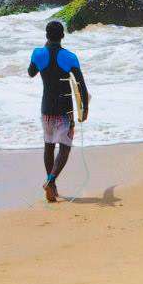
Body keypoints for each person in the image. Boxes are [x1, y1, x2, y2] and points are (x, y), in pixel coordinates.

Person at [28, 20, 88, 202]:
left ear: (46, 35)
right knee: (65, 148)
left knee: (49, 145)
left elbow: (31, 73)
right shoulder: (69, 57)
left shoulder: (38, 54)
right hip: (65, 109)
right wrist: (85, 108)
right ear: (62, 36)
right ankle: (51, 180)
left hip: (46, 107)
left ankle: (51, 187)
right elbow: (81, 86)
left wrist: (40, 57)